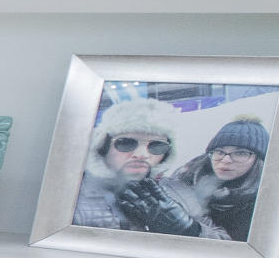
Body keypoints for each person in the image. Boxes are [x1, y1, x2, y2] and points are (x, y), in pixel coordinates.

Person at [73, 97, 207, 235]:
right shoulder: (73, 194)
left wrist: (188, 228)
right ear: (103, 146)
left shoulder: (180, 192)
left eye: (157, 146)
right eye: (126, 143)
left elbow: (221, 242)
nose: (142, 154)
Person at [170, 116, 265, 244]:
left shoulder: (262, 206)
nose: (226, 160)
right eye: (219, 152)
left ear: (258, 161)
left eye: (240, 153)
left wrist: (190, 228)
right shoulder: (183, 182)